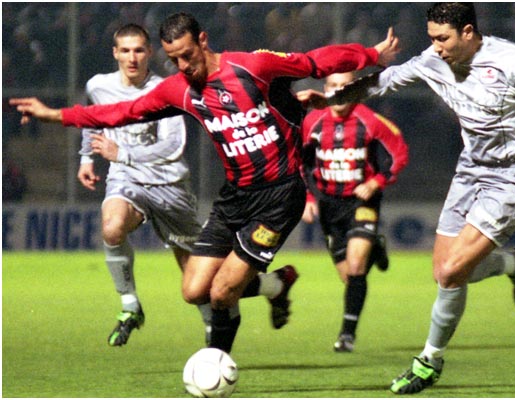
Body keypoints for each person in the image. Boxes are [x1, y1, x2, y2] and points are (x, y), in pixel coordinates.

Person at [10, 12, 400, 354]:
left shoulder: (251, 66)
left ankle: (216, 361)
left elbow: (315, 61)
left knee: (222, 292)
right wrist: (56, 115)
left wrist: (370, 55)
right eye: (173, 59)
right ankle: (277, 285)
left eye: (187, 55)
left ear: (202, 40)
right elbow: (122, 112)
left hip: (280, 195)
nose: (182, 65)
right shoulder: (180, 89)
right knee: (194, 290)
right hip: (235, 196)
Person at [298, 2, 515, 394]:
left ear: (468, 32)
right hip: (470, 170)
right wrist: (331, 100)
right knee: (445, 273)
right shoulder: (433, 59)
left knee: (450, 273)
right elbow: (384, 81)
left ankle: (429, 361)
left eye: (443, 38)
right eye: (432, 38)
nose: (436, 46)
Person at [76, 23, 297, 347]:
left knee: (199, 286)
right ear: (115, 53)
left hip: (170, 187)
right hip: (127, 179)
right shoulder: (98, 85)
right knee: (112, 226)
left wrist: (121, 153)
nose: (132, 57)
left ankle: (272, 287)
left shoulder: (169, 90)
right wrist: (86, 157)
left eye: (138, 50)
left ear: (150, 52)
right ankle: (130, 305)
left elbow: (172, 146)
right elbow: (93, 116)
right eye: (125, 50)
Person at [300, 71, 409, 352]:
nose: (339, 92)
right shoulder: (312, 122)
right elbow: (299, 162)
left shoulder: (370, 120)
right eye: (333, 86)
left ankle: (347, 335)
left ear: (355, 91)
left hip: (362, 203)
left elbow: (400, 153)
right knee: (349, 276)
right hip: (329, 205)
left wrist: (376, 182)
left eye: (345, 87)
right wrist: (308, 197)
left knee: (357, 265)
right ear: (325, 89)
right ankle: (376, 248)